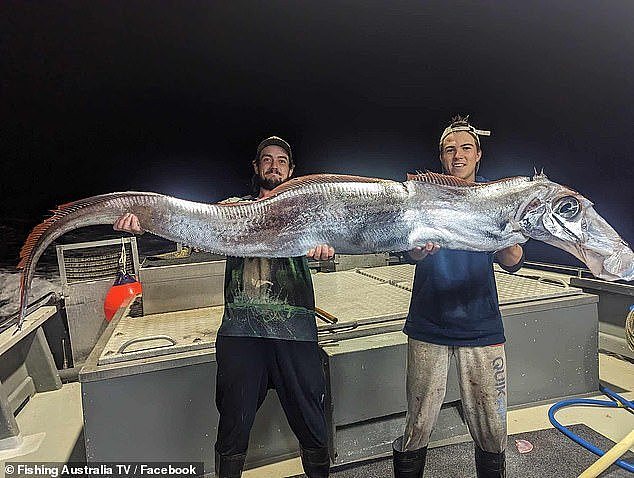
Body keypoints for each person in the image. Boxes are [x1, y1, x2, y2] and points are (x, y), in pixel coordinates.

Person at [114, 136, 333, 478]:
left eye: (281, 160)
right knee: (233, 425)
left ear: (292, 171)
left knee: (312, 423)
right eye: (266, 159)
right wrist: (145, 224)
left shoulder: (310, 211)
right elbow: (189, 223)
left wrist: (327, 248)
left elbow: (340, 236)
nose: (273, 165)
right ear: (256, 167)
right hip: (240, 332)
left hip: (296, 330)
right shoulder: (232, 209)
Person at [392, 117, 524, 478]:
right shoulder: (423, 198)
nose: (458, 155)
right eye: (450, 149)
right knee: (418, 424)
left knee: (491, 428)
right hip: (428, 323)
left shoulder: (495, 199)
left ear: (478, 155)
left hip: (481, 326)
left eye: (466, 148)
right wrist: (418, 250)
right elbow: (410, 251)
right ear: (441, 157)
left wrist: (505, 233)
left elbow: (513, 260)